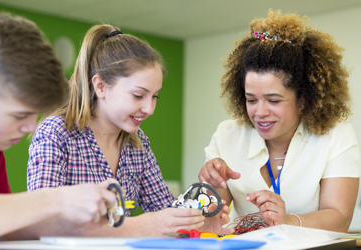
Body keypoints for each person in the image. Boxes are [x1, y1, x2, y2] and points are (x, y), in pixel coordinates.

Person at [27, 24, 232, 237]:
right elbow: (44, 223)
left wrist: (198, 224)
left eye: (154, 96)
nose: (149, 109)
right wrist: (140, 226)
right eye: (138, 95)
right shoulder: (56, 133)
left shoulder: (138, 143)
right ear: (100, 87)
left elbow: (164, 213)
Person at [198, 10, 360, 233]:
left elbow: (339, 218)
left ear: (303, 99)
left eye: (273, 100)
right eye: (251, 99)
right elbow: (214, 215)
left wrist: (287, 220)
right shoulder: (227, 135)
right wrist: (207, 192)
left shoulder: (336, 135)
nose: (259, 112)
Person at [0, 13, 118, 241]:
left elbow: (7, 230)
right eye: (20, 115)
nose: (30, 127)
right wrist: (58, 199)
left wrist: (80, 222)